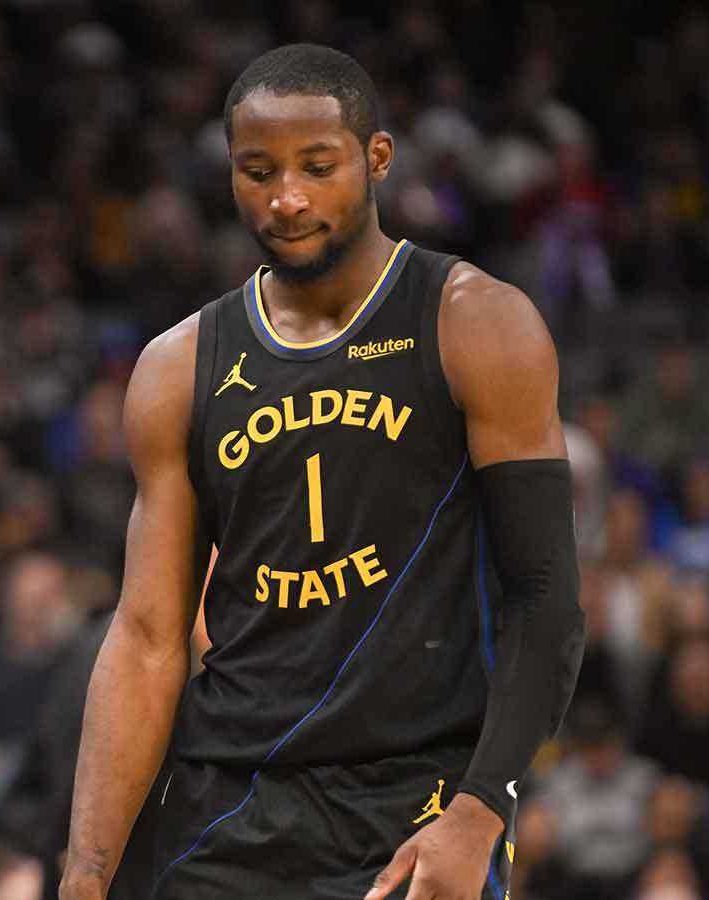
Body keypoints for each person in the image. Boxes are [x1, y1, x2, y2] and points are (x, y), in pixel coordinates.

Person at [60, 45, 584, 900]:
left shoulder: (474, 322)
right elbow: (148, 638)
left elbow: (545, 596)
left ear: (376, 158)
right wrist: (85, 876)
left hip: (417, 802)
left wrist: (483, 806)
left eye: (317, 166)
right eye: (258, 171)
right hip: (228, 805)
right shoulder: (178, 367)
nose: (287, 198)